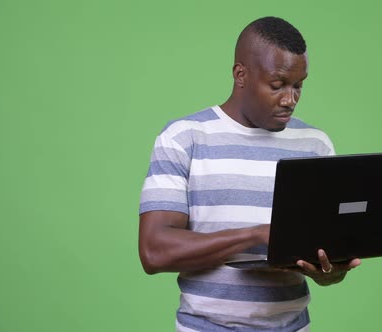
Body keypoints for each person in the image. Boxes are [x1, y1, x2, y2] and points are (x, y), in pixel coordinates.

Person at [138, 16, 361, 332]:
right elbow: (154, 251)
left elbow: (324, 257)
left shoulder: (315, 145)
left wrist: (330, 269)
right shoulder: (183, 137)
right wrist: (255, 236)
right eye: (277, 85)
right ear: (240, 74)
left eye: (298, 86)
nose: (290, 99)